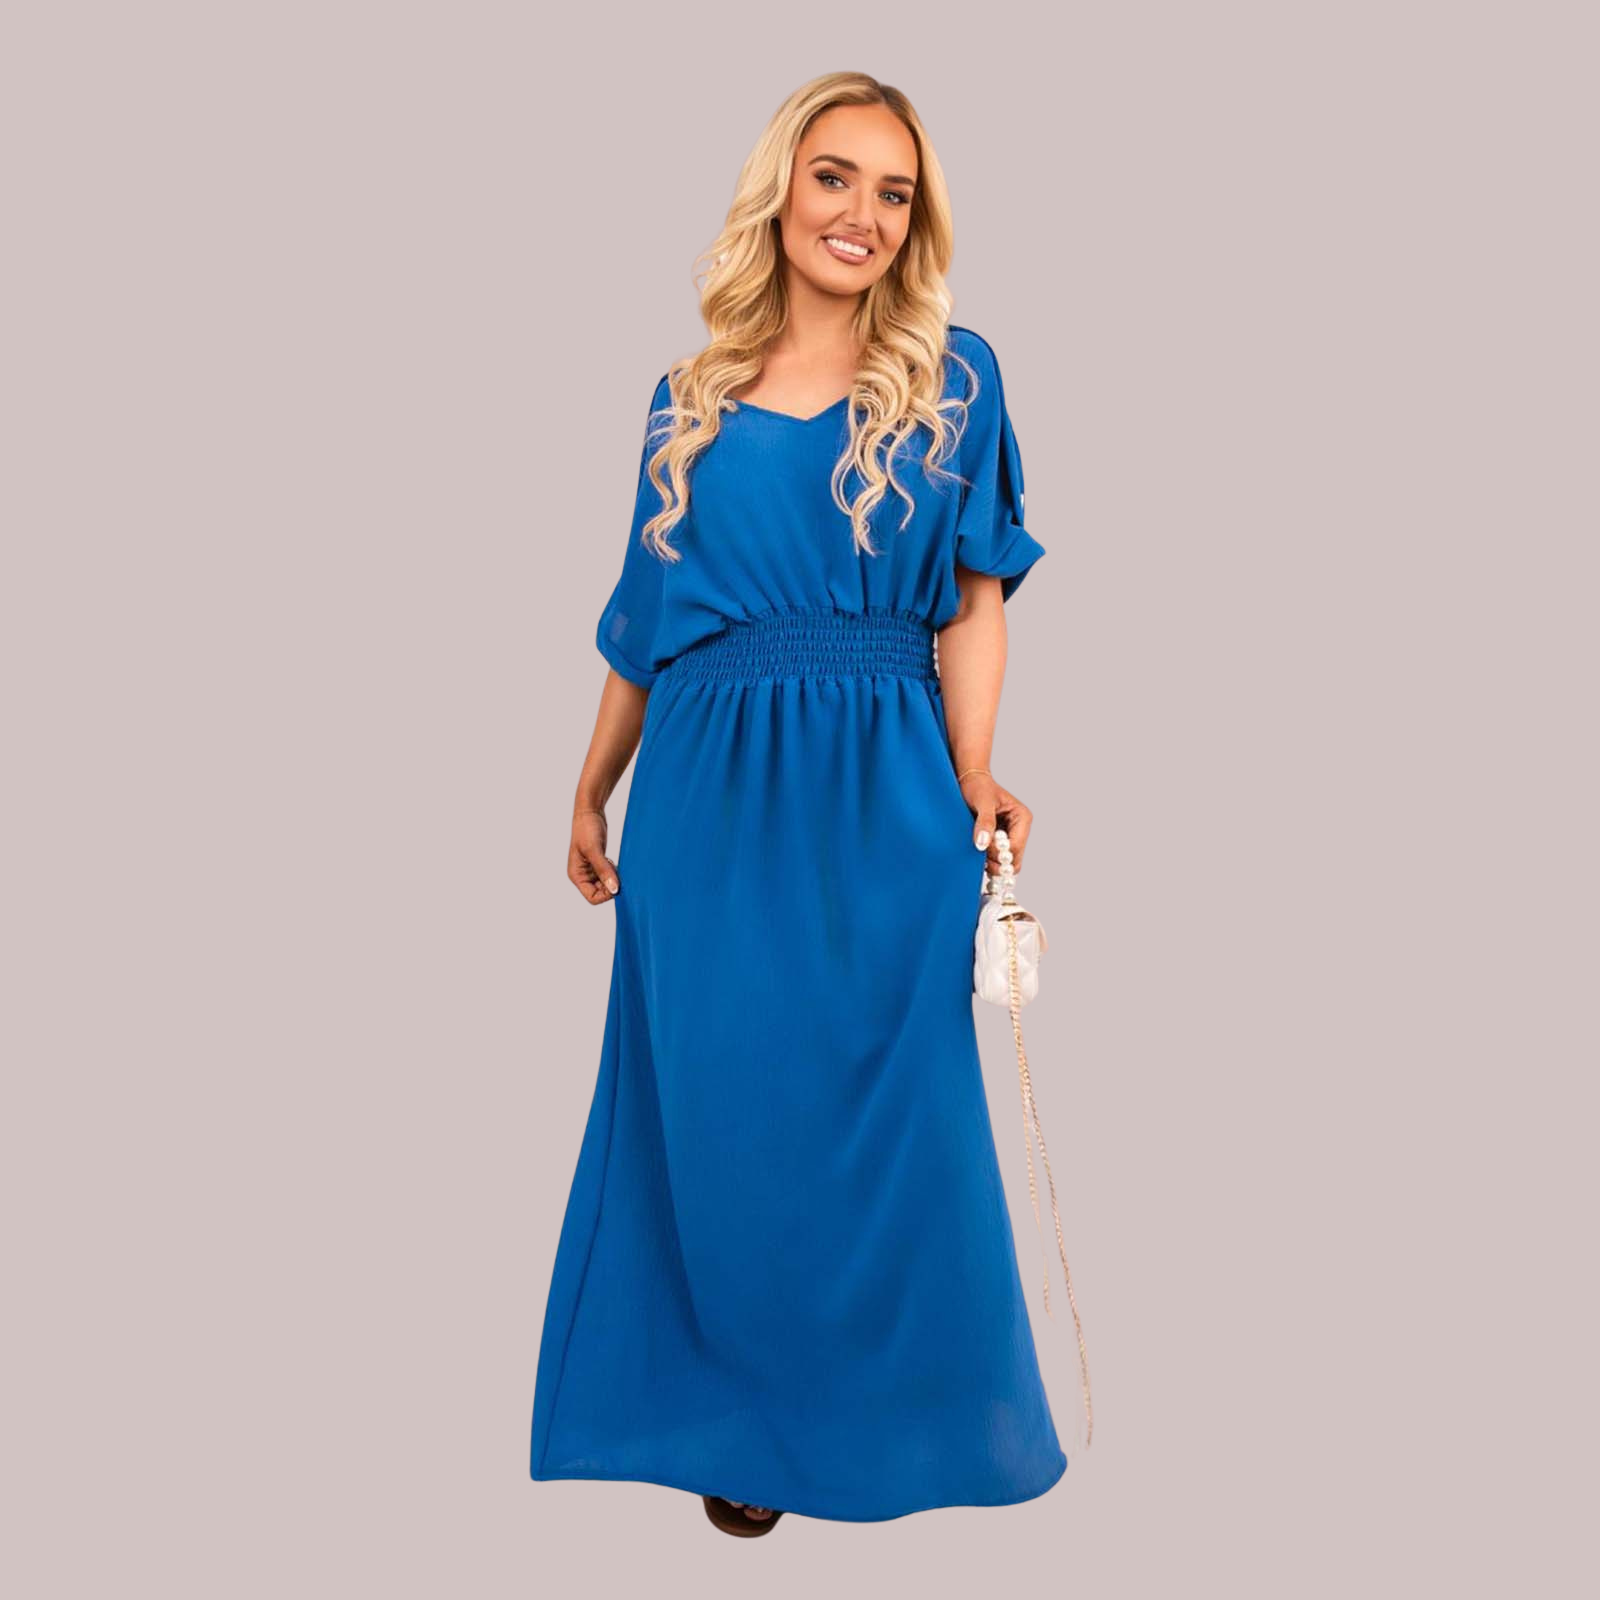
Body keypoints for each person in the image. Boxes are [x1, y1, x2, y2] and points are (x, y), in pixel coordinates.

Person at [528, 70, 1064, 1535]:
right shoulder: (685, 402)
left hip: (886, 789)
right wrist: (590, 786)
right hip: (703, 802)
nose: (863, 216)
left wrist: (973, 771)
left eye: (896, 193)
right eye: (837, 178)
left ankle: (887, 1427)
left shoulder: (956, 381)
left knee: (893, 1122)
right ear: (781, 193)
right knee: (721, 1118)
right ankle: (740, 1430)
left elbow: (975, 599)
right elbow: (646, 626)